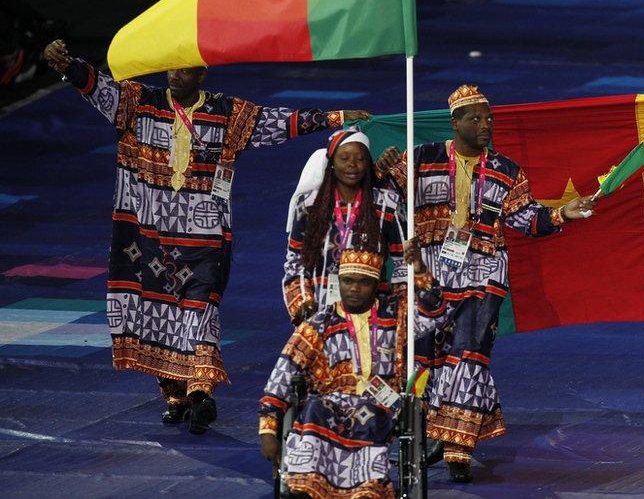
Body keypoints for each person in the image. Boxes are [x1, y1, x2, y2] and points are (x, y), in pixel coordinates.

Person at [43, 39, 370, 435]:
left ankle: (201, 392)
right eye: (172, 68)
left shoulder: (228, 113)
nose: (175, 75)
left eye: (185, 70)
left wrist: (336, 116)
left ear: (202, 73)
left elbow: (278, 121)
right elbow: (98, 88)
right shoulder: (137, 102)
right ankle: (175, 396)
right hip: (147, 236)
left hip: (206, 239)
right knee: (155, 317)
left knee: (201, 312)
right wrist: (68, 65)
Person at [378, 84, 597, 483]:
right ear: (454, 122)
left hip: (484, 276)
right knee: (424, 358)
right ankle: (430, 432)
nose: (485, 125)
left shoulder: (506, 171)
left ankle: (458, 448)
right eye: (475, 118)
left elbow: (527, 220)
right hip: (430, 273)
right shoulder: (421, 159)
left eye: (489, 118)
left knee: (470, 355)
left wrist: (563, 212)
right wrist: (384, 167)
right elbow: (383, 197)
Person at [258, 241, 446, 498]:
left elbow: (435, 312)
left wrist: (420, 269)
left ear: (375, 283)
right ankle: (310, 486)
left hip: (380, 404)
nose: (354, 288)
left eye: (363, 282)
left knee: (365, 414)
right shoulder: (320, 324)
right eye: (348, 281)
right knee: (314, 410)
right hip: (330, 404)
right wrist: (268, 430)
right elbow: (283, 373)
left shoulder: (395, 314)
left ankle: (363, 490)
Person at [282, 127, 405, 325]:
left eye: (360, 158)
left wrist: (396, 308)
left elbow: (404, 262)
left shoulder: (387, 204)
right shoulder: (309, 205)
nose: (352, 165)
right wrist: (303, 303)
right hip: (319, 312)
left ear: (368, 163)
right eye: (344, 158)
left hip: (374, 314)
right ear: (331, 163)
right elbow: (296, 262)